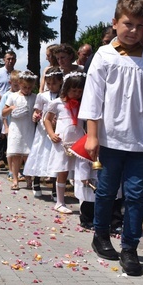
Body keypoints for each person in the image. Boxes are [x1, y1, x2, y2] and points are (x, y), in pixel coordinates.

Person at [79, 0, 143, 276]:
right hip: (110, 137)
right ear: (115, 23)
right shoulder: (104, 55)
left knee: (136, 196)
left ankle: (130, 247)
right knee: (105, 191)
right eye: (128, 24)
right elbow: (93, 96)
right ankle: (101, 234)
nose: (133, 31)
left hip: (141, 140)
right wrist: (92, 135)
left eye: (141, 26)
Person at [44, 73, 86, 214]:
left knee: (81, 171)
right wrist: (51, 133)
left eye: (80, 91)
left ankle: (83, 201)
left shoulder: (83, 104)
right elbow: (47, 119)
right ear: (66, 88)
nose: (77, 94)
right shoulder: (57, 103)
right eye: (73, 90)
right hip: (63, 142)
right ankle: (60, 202)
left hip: (79, 141)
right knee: (63, 170)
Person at [24, 68, 63, 197]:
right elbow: (37, 110)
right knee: (40, 155)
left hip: (57, 129)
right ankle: (36, 180)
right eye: (49, 84)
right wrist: (35, 116)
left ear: (60, 82)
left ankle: (54, 187)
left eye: (54, 84)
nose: (51, 86)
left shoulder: (63, 95)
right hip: (43, 130)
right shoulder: (42, 96)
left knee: (54, 157)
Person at [3, 71, 37, 190]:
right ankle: (15, 179)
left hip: (28, 128)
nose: (27, 90)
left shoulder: (34, 97)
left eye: (29, 87)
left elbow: (37, 111)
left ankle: (29, 180)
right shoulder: (13, 96)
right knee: (16, 155)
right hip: (16, 129)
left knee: (27, 155)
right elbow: (3, 112)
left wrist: (36, 115)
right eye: (24, 87)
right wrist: (11, 108)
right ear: (19, 84)